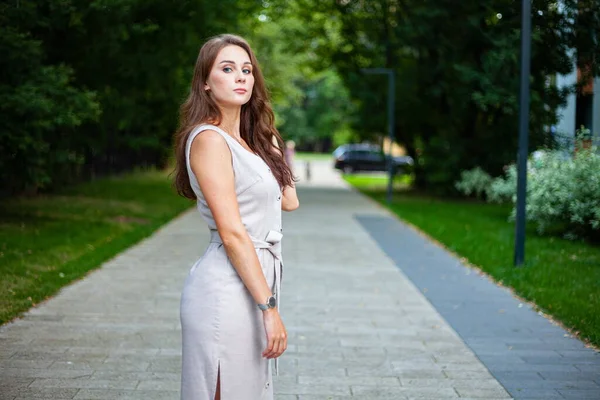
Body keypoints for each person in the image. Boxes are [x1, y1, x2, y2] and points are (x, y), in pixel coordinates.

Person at [172, 34, 299, 400]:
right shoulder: (210, 140)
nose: (241, 76)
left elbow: (289, 201)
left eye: (247, 70)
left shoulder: (247, 142)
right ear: (206, 83)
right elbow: (232, 233)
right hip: (225, 289)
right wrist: (269, 309)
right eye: (227, 69)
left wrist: (269, 140)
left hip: (255, 280)